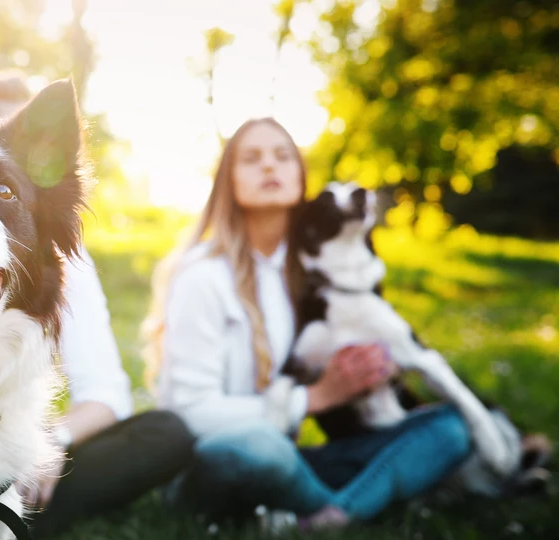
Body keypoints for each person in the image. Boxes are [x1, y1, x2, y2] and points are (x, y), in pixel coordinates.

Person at [142, 117, 473, 529]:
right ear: (228, 182)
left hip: (285, 457)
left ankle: (327, 515)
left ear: (301, 177)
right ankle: (350, 505)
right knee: (261, 447)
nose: (269, 166)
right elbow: (189, 415)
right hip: (213, 463)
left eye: (283, 156)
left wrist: (365, 370)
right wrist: (315, 398)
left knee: (450, 427)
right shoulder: (203, 276)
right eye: (252, 158)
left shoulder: (303, 278)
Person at [0, 74, 195, 538]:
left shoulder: (55, 258)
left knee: (164, 434)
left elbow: (105, 395)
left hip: (20, 449)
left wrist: (43, 446)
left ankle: (2, 510)